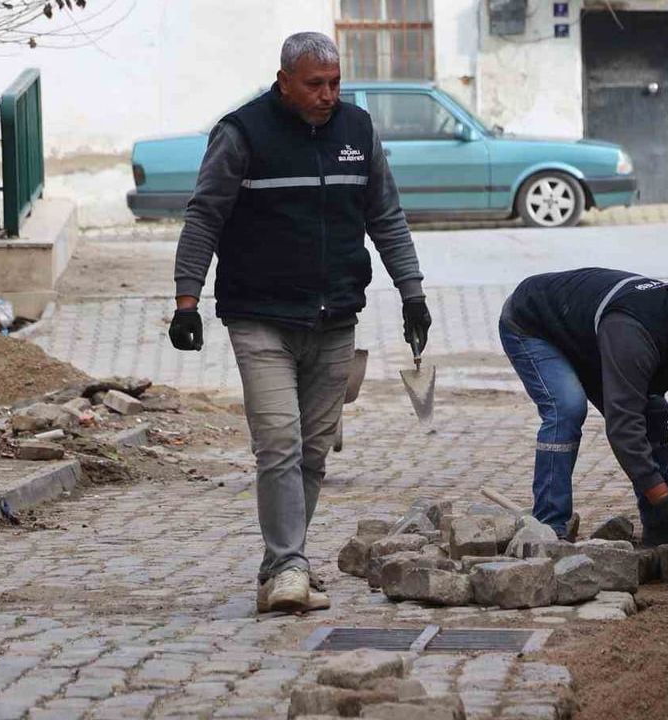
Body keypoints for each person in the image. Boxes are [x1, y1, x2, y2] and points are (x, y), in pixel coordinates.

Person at [169, 32, 431, 614]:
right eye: (315, 84)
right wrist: (187, 301)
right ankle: (289, 564)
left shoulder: (357, 132)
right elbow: (205, 215)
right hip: (260, 318)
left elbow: (385, 214)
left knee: (313, 451)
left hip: (336, 318)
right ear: (284, 80)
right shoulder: (241, 134)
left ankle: (281, 564)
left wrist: (412, 292)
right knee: (279, 443)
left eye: (335, 83)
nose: (328, 95)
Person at [499, 268, 668, 547]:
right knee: (567, 408)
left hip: (588, 335)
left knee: (653, 412)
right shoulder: (634, 334)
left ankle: (660, 530)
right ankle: (548, 529)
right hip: (534, 324)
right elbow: (623, 426)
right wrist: (664, 499)